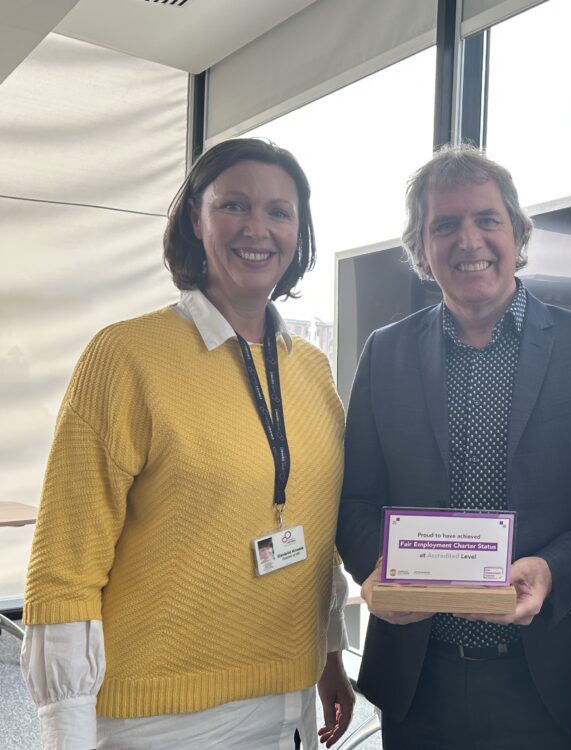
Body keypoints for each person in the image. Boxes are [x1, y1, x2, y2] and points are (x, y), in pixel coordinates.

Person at [21, 138, 355, 749]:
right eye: (234, 206)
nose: (258, 228)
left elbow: (317, 539)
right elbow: (64, 569)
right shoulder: (125, 356)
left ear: (299, 231)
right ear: (195, 221)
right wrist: (65, 734)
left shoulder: (311, 370)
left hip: (288, 708)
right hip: (159, 720)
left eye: (279, 212)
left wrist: (329, 659)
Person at [337, 144, 571, 750]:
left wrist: (555, 572)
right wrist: (374, 574)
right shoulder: (385, 353)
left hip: (552, 679)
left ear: (516, 233)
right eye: (444, 225)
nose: (468, 239)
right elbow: (356, 500)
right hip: (419, 681)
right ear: (422, 250)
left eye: (486, 219)